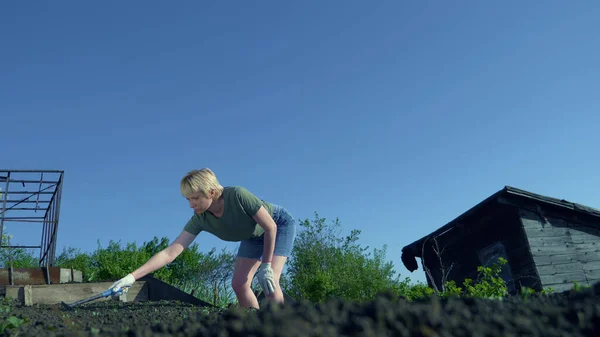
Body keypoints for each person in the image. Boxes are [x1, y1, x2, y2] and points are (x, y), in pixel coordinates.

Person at [109, 168, 297, 309]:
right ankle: (256, 325)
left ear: (212, 193)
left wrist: (266, 265)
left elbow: (270, 226)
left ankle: (280, 324)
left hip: (277, 226)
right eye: (188, 199)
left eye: (195, 198)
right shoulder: (200, 219)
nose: (191, 204)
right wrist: (131, 277)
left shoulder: (238, 195)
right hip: (251, 236)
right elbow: (170, 252)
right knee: (239, 284)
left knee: (269, 281)